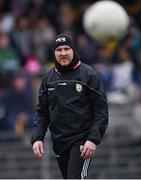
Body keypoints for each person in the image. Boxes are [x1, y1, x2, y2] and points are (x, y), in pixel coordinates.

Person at [31, 34, 108, 179]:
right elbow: (42, 112)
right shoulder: (48, 78)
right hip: (59, 141)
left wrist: (93, 140)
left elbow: (101, 111)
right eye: (59, 50)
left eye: (67, 48)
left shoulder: (88, 74)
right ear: (54, 53)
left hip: (82, 140)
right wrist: (37, 138)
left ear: (74, 51)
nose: (63, 53)